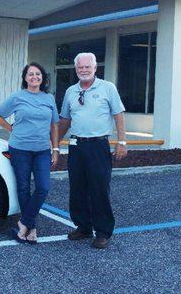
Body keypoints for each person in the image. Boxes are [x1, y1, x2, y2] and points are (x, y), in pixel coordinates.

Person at [58, 52, 127, 249]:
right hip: (76, 146)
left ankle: (103, 231)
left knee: (99, 188)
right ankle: (83, 227)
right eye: (80, 67)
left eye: (88, 67)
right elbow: (65, 120)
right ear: (76, 69)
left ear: (95, 68)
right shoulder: (71, 91)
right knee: (77, 188)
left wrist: (122, 141)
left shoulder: (107, 88)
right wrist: (53, 144)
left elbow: (119, 115)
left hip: (98, 145)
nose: (84, 70)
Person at [0, 62, 59, 244]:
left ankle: (24, 223)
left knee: (43, 187)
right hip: (19, 148)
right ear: (25, 78)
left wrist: (56, 148)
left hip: (42, 150)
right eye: (31, 74)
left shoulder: (49, 99)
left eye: (38, 74)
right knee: (23, 187)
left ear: (43, 77)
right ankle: (31, 228)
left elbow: (54, 125)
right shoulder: (18, 97)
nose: (34, 77)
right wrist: (11, 129)